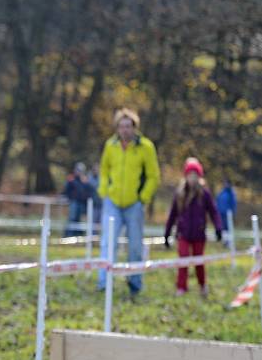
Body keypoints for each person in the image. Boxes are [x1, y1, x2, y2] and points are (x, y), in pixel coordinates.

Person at [96, 108, 160, 298]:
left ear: (134, 127)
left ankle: (135, 282)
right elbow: (104, 170)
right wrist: (104, 191)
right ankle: (103, 282)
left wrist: (143, 199)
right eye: (121, 126)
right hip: (112, 202)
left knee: (135, 246)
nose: (124, 130)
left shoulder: (146, 147)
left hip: (134, 204)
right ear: (117, 128)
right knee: (108, 243)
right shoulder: (110, 145)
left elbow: (153, 176)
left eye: (128, 126)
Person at [164, 157, 222, 297]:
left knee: (198, 261)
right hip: (183, 233)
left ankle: (202, 285)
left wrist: (218, 228)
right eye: (190, 175)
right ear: (186, 176)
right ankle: (181, 287)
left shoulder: (204, 194)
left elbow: (213, 212)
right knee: (183, 259)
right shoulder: (180, 194)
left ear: (199, 176)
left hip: (199, 234)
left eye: (195, 175)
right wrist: (167, 233)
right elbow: (173, 214)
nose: (192, 178)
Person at [63, 162, 93, 236]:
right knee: (72, 218)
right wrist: (70, 197)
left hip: (82, 203)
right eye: (78, 170)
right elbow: (66, 190)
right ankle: (69, 235)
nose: (79, 172)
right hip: (74, 202)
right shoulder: (71, 179)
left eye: (80, 171)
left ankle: (77, 235)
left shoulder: (85, 180)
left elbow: (88, 191)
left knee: (79, 220)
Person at [216, 178, 237, 246]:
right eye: (225, 183)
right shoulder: (222, 192)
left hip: (228, 214)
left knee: (228, 228)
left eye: (227, 183)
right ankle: (225, 241)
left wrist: (232, 211)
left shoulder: (231, 193)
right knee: (223, 228)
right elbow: (218, 201)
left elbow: (233, 203)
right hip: (221, 213)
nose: (225, 184)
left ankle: (229, 242)